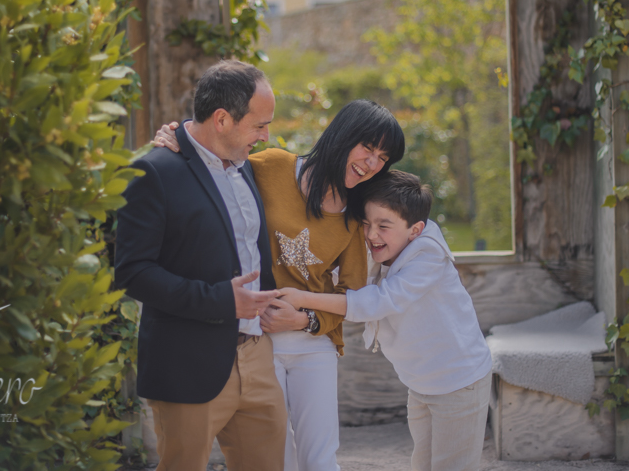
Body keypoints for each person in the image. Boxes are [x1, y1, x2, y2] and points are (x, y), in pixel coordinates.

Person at [153, 99, 405, 471]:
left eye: (382, 158)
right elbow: (214, 163)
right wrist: (178, 134)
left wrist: (304, 320)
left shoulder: (356, 213)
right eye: (367, 148)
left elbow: (350, 295)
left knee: (319, 459)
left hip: (313, 344)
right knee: (275, 458)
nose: (371, 164)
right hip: (257, 341)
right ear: (342, 135)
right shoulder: (271, 166)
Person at [114, 60, 287, 471]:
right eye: (260, 125)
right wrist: (220, 301)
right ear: (222, 119)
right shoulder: (154, 171)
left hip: (257, 359)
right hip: (187, 365)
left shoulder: (247, 166)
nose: (266, 136)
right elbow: (133, 272)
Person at [279, 170, 493, 471]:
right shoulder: (384, 249)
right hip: (420, 382)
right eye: (366, 224)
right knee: (423, 464)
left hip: (459, 381)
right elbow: (344, 279)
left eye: (383, 226)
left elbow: (378, 301)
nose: (371, 234)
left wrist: (302, 298)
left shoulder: (428, 256)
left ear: (415, 230)